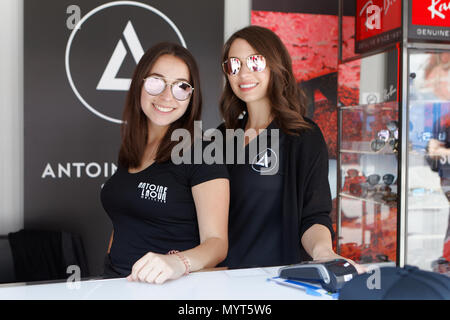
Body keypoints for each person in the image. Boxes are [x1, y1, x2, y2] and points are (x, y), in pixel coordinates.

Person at [217, 26, 363, 272]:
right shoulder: (221, 137)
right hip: (222, 279)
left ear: (275, 64)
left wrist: (324, 253)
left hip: (277, 280)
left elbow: (314, 216)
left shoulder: (303, 136)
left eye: (254, 62)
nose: (242, 73)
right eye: (233, 65)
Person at [100, 42, 230, 284]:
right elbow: (123, 220)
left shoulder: (203, 151)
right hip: (115, 283)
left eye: (181, 87)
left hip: (168, 288)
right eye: (156, 82)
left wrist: (177, 263)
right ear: (139, 83)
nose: (167, 96)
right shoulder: (132, 147)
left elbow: (217, 244)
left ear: (191, 96)